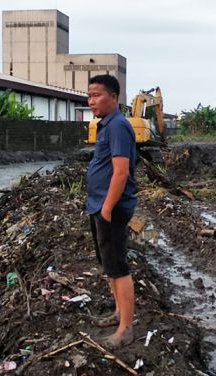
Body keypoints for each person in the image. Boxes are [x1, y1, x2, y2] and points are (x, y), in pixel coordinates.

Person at [86, 74, 137, 349]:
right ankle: (119, 313)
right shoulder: (106, 125)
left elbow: (121, 171)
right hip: (100, 206)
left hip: (111, 209)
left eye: (97, 95)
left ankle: (125, 329)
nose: (91, 100)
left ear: (114, 97)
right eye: (89, 95)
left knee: (118, 267)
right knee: (109, 266)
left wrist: (106, 207)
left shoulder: (117, 126)